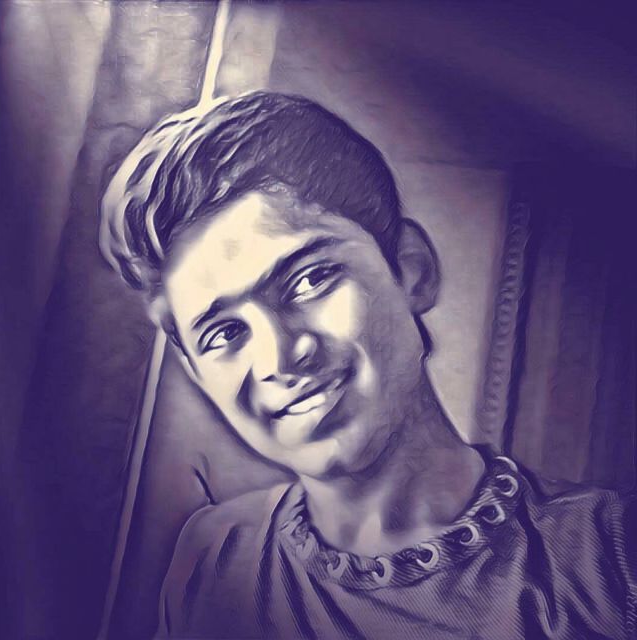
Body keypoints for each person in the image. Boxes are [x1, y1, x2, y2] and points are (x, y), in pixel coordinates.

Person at [100, 91, 636, 640]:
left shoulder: (608, 557)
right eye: (224, 333)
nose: (280, 357)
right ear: (196, 372)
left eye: (309, 280)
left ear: (410, 269)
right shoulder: (215, 561)